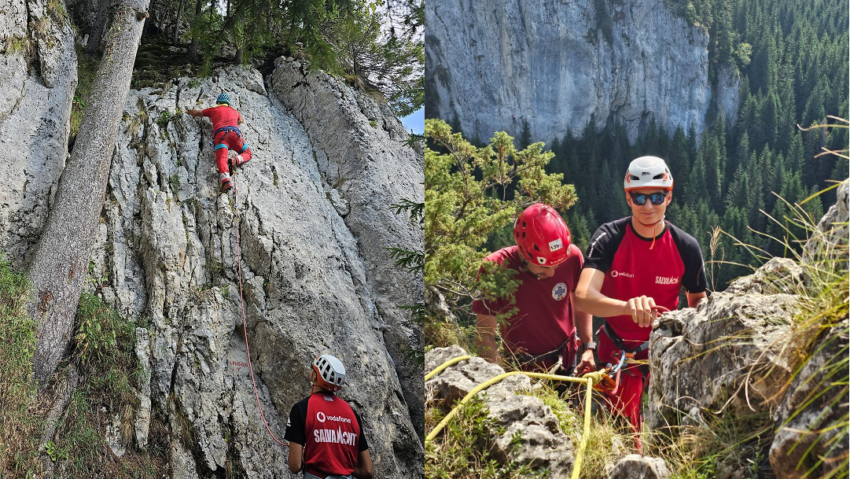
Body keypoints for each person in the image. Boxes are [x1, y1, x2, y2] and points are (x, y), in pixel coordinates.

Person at [575, 156, 709, 452]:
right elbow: (583, 296)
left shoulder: (685, 246)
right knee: (625, 438)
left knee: (674, 437)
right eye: (639, 197)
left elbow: (699, 300)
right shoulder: (609, 237)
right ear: (628, 198)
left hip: (665, 350)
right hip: (619, 352)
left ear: (669, 196)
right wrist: (626, 306)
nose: (648, 206)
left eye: (657, 197)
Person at [472, 203, 594, 374]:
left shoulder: (572, 257)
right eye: (543, 267)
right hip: (520, 369)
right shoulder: (495, 268)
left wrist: (588, 347)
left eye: (557, 265)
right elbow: (485, 333)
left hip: (565, 360)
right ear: (523, 253)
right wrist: (499, 381)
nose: (551, 273)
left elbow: (581, 304)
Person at [284, 355, 373, 479]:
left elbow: (295, 465)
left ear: (314, 376)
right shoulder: (351, 413)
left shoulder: (302, 408)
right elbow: (367, 470)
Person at [187, 93, 253, 193]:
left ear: (218, 102)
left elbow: (196, 113)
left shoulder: (213, 110)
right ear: (228, 103)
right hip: (235, 134)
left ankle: (226, 181)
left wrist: (188, 112)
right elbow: (241, 120)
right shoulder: (234, 111)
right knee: (248, 153)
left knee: (222, 158)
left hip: (221, 135)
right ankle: (236, 160)